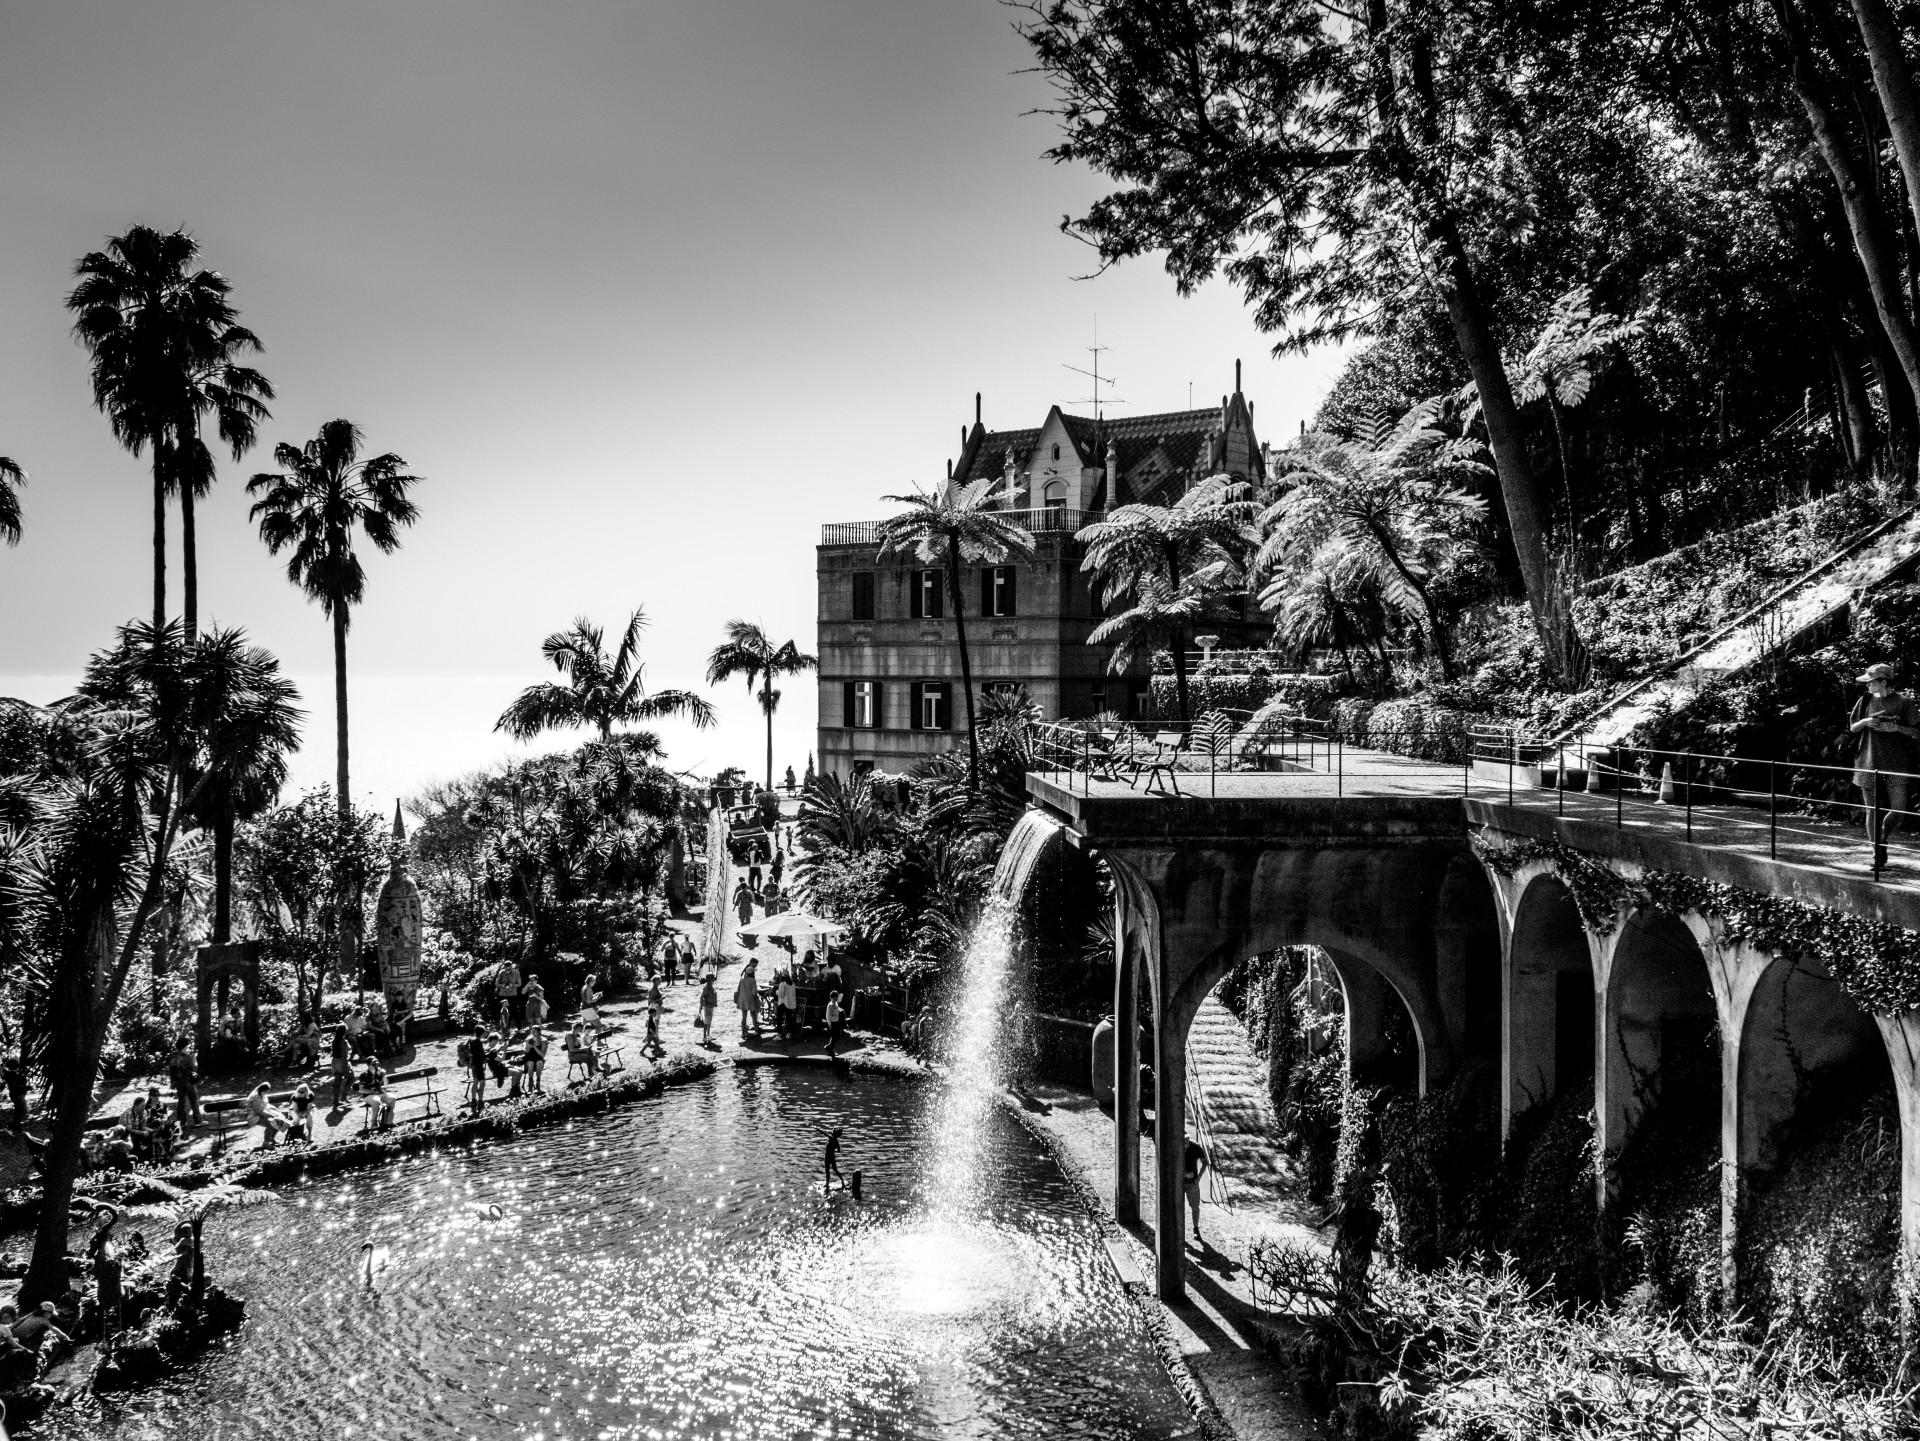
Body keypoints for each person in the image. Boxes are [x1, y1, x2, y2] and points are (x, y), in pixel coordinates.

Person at [1851, 662, 1919, 868]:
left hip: (1896, 763)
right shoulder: (1865, 701)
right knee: (1871, 809)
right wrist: (1865, 722)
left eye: (1871, 682)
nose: (1868, 686)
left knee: (1899, 808)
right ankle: (1877, 854)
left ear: (1883, 681)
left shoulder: (1905, 703)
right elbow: (1853, 728)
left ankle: (1882, 836)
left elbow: (1918, 732)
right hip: (1867, 761)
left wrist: (1896, 728)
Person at [167, 1034, 200, 1129]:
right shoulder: (189, 1057)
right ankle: (197, 1120)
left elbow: (172, 1070)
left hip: (178, 1082)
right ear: (185, 1046)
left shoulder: (173, 1057)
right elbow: (194, 1068)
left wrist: (173, 1082)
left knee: (181, 1102)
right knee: (194, 1100)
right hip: (188, 1081)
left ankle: (181, 1121)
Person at [248, 1082, 292, 1146]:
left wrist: (274, 1108)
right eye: (266, 1092)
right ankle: (266, 1142)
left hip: (262, 1113)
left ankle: (271, 1138)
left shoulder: (262, 1095)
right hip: (254, 1117)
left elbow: (265, 1105)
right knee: (272, 1121)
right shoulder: (255, 1097)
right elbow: (259, 1111)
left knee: (281, 1118)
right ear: (262, 1090)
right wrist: (272, 1115)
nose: (266, 1093)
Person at [1183, 1138, 1209, 1243]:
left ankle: (1196, 1228)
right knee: (1177, 1206)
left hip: (1192, 1183)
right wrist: (1184, 1174)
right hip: (1178, 1181)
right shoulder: (1174, 1146)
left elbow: (1205, 1162)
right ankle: (1178, 1230)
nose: (1186, 1142)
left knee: (1195, 1206)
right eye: (1183, 1140)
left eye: (1187, 1140)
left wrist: (1198, 1178)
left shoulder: (1195, 1147)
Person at [329, 1024, 354, 1108]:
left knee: (337, 1082)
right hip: (342, 1062)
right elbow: (344, 1056)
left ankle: (336, 1101)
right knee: (351, 1078)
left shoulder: (335, 1040)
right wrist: (346, 1067)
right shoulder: (343, 1042)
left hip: (335, 1062)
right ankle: (344, 1096)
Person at [735, 960, 761, 1039]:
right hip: (750, 1000)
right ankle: (756, 1030)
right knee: (753, 1016)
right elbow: (754, 992)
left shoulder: (742, 981)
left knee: (744, 1017)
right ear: (752, 973)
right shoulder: (753, 981)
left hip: (743, 1000)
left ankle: (743, 1033)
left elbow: (738, 989)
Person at [496, 959, 523, 1028]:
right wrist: (503, 985)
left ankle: (519, 1028)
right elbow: (496, 983)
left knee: (515, 1011)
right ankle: (507, 1028)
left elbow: (519, 984)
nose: (508, 969)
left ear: (511, 966)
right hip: (503, 995)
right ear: (505, 967)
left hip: (512, 994)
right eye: (507, 967)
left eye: (509, 967)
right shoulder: (501, 972)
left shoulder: (516, 972)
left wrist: (513, 985)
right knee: (505, 1012)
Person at [823, 1125, 845, 1194]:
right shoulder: (836, 1141)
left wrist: (817, 1129)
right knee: (834, 1169)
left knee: (827, 1170)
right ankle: (842, 1181)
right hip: (832, 1156)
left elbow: (824, 1133)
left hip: (828, 1156)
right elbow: (838, 1150)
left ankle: (827, 1183)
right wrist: (833, 1151)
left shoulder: (832, 1138)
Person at [696, 974, 718, 1046]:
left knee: (709, 1021)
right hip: (707, 1006)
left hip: (710, 1005)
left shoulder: (709, 986)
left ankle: (708, 1035)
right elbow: (702, 997)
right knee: (706, 1021)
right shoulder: (706, 987)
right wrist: (700, 1006)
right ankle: (705, 1037)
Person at [777, 972, 798, 1042]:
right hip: (790, 1003)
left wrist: (777, 992)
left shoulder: (782, 984)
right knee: (789, 1018)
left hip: (783, 1003)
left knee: (779, 1018)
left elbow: (781, 994)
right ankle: (789, 1033)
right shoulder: (792, 984)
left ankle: (779, 1034)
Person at [824, 989, 844, 1059]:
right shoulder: (830, 1005)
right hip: (832, 1023)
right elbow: (828, 1015)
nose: (835, 1000)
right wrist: (829, 1024)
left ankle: (829, 1047)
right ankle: (831, 1051)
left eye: (836, 998)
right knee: (834, 1036)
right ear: (831, 998)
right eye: (834, 998)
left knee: (837, 1036)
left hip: (836, 1022)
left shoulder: (836, 1004)